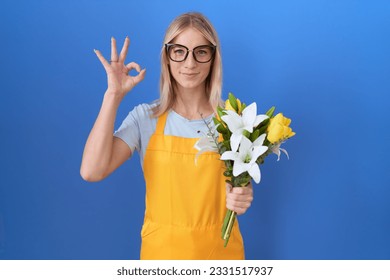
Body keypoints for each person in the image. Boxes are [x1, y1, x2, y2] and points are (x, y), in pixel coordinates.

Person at [80, 12, 254, 260]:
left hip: (221, 258)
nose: (190, 63)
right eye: (179, 51)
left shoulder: (234, 120)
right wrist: (113, 96)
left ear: (214, 58)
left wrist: (244, 195)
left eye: (201, 52)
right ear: (167, 57)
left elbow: (240, 187)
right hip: (161, 259)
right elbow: (91, 171)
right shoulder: (144, 118)